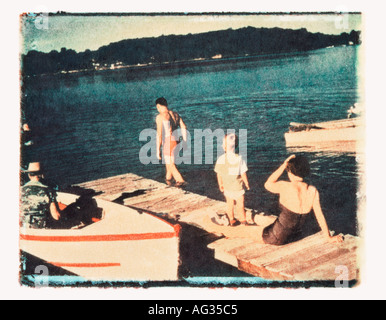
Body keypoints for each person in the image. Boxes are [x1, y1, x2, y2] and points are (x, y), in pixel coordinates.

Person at [256, 155, 344, 245]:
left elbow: (267, 184)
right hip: (296, 236)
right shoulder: (312, 190)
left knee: (245, 231)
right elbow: (320, 216)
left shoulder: (285, 186)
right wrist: (329, 237)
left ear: (290, 172)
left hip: (277, 237)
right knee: (270, 223)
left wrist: (283, 165)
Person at [214, 133, 252, 226]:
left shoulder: (221, 159)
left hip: (227, 187)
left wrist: (220, 184)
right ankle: (243, 220)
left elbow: (219, 174)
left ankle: (231, 220)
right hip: (238, 187)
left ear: (224, 147)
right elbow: (243, 173)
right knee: (240, 204)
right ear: (236, 146)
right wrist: (247, 183)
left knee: (229, 204)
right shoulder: (239, 159)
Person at [155, 97, 188, 187]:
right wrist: (184, 142)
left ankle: (181, 181)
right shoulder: (175, 114)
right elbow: (184, 127)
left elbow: (159, 135)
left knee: (170, 165)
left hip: (169, 141)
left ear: (158, 106)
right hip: (176, 140)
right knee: (168, 166)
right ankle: (168, 182)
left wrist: (158, 150)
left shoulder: (160, 116)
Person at [20, 162, 61, 229]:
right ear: (42, 174)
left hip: (24, 228)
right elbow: (56, 216)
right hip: (41, 228)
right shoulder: (48, 190)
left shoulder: (20, 190)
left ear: (29, 175)